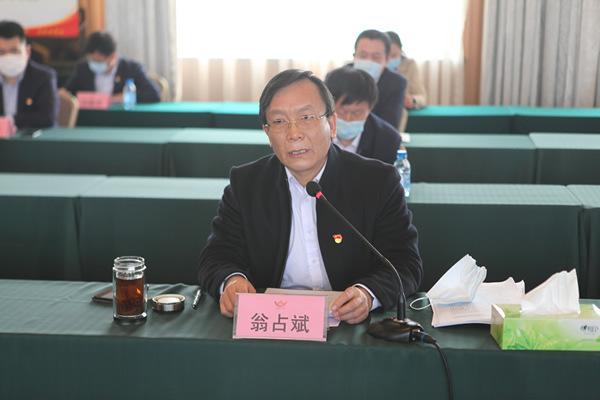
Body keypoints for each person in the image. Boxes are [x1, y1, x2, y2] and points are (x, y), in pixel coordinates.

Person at [198, 69, 422, 325]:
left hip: (348, 324)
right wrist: (231, 280)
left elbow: (404, 263)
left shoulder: (377, 181)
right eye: (279, 121)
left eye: (306, 117)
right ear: (268, 133)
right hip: (274, 323)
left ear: (332, 125)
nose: (294, 133)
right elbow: (217, 256)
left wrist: (368, 294)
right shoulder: (246, 184)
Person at [325, 66, 401, 164]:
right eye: (341, 112)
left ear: (370, 109)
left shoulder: (387, 139)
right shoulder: (313, 133)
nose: (348, 119)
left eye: (357, 113)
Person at [61, 31, 160, 103]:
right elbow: (67, 91)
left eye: (98, 61)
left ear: (112, 57)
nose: (93, 64)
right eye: (91, 60)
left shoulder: (132, 68)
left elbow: (153, 94)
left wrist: (117, 98)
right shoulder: (83, 67)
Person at [0, 20, 58, 129]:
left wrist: (10, 121)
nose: (8, 57)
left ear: (27, 51)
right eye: (1, 52)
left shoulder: (44, 77)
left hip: (32, 138)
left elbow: (47, 117)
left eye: (14, 51)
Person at [351, 29, 407, 129]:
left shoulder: (396, 83)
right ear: (354, 56)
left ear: (387, 60)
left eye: (376, 57)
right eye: (363, 56)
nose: (368, 61)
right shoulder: (336, 78)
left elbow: (389, 125)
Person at [386, 31, 427, 109]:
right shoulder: (375, 67)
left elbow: (422, 97)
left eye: (394, 55)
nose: (390, 59)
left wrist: (413, 100)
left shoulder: (410, 65)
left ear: (401, 51)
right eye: (387, 56)